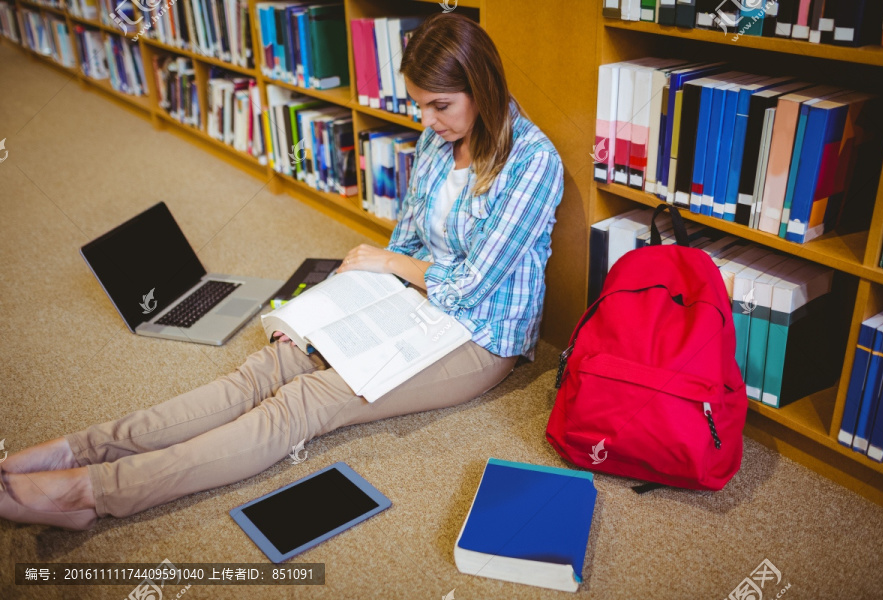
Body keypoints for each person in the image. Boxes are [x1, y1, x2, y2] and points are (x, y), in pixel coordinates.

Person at [0, 13, 564, 531]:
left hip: (479, 335)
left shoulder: (534, 161)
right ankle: (78, 450)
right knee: (267, 367)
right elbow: (412, 238)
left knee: (305, 403)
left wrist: (388, 264)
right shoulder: (440, 140)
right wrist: (342, 302)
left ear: (482, 88)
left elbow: (470, 284)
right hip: (410, 301)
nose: (426, 120)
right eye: (420, 105)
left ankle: (91, 491)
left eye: (439, 105)